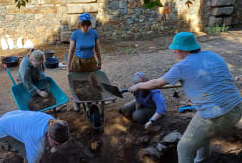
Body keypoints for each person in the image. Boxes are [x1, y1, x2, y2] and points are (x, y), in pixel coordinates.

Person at [128, 32, 242, 163]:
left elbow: (156, 83)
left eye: (176, 49)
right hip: (237, 108)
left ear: (184, 49)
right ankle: (202, 159)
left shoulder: (181, 67)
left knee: (183, 148)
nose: (174, 51)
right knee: (202, 136)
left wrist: (138, 86)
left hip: (216, 116)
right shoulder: (212, 55)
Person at [0, 110, 69, 163]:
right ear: (48, 135)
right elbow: (33, 160)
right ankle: (7, 144)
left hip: (11, 117)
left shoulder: (54, 123)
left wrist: (50, 146)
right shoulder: (36, 140)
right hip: (2, 132)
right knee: (27, 155)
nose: (56, 146)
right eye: (55, 143)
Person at [67, 13, 102, 111]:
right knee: (77, 82)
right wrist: (68, 65)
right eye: (84, 25)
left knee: (90, 81)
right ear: (80, 24)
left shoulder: (94, 33)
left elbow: (97, 49)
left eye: (88, 24)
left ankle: (89, 100)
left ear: (90, 24)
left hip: (91, 62)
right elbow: (71, 50)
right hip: (78, 62)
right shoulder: (75, 34)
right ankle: (77, 102)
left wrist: (99, 62)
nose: (86, 27)